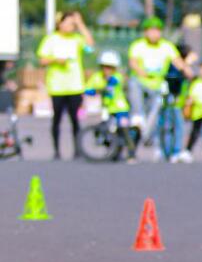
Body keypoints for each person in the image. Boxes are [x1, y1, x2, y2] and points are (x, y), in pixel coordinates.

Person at [127, 16, 190, 153]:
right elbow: (133, 62)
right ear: (145, 32)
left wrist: (187, 70)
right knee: (134, 85)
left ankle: (149, 134)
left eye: (157, 31)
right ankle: (137, 116)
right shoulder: (138, 45)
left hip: (157, 85)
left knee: (156, 111)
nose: (154, 34)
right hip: (141, 82)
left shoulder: (166, 46)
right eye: (151, 31)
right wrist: (141, 72)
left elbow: (177, 61)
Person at [37, 10, 94, 159]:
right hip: (57, 86)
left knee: (75, 119)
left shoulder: (76, 39)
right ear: (59, 24)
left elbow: (90, 46)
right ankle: (56, 151)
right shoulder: (51, 39)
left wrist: (80, 23)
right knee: (57, 119)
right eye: (68, 23)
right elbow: (42, 60)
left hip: (75, 85)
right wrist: (56, 60)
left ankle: (77, 150)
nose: (71, 26)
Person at [85, 50, 137, 162]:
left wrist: (103, 86)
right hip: (107, 109)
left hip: (121, 108)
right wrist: (95, 91)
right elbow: (88, 89)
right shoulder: (97, 77)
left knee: (124, 129)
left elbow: (113, 82)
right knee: (102, 128)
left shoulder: (117, 76)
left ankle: (131, 152)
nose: (106, 70)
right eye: (104, 67)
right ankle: (111, 149)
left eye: (110, 67)